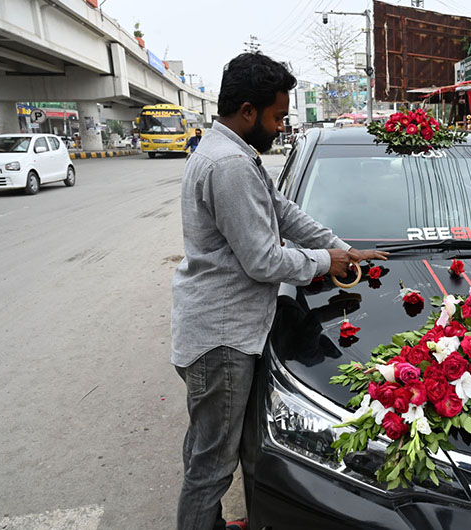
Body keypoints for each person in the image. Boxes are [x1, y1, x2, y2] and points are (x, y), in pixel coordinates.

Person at [170, 52, 388, 530]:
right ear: (248, 111)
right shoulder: (228, 164)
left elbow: (282, 211)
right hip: (222, 340)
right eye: (277, 116)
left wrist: (340, 247)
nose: (279, 125)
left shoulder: (233, 153)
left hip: (219, 331)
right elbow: (264, 260)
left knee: (207, 450)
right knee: (211, 465)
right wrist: (324, 261)